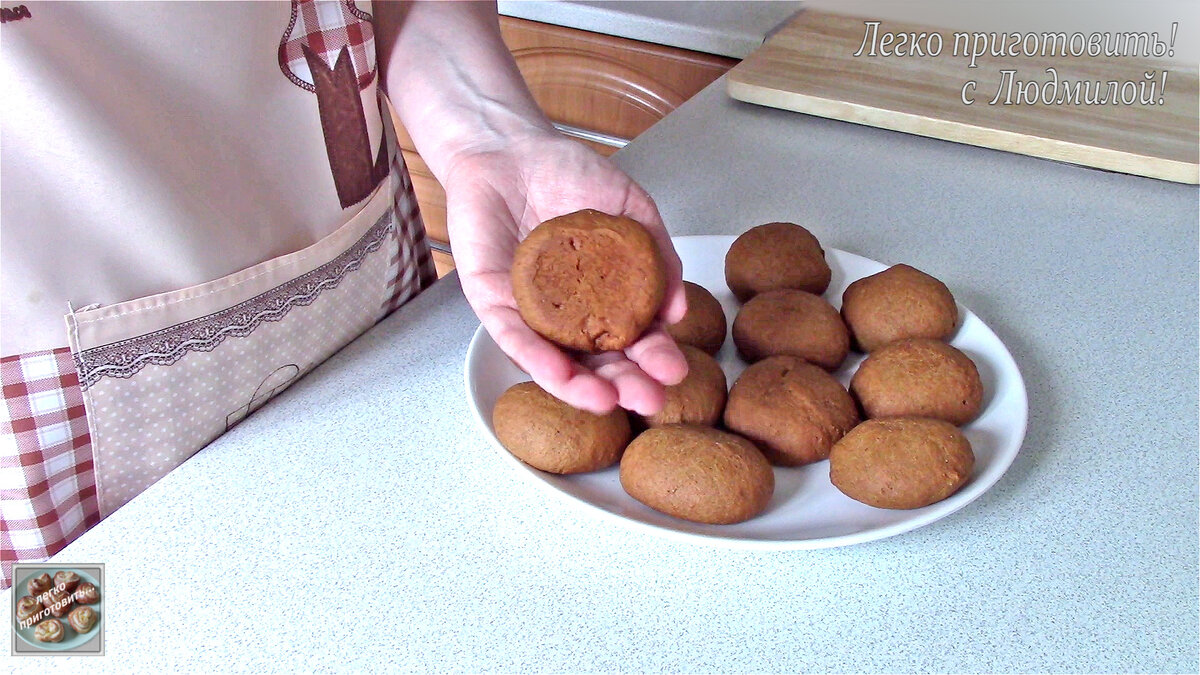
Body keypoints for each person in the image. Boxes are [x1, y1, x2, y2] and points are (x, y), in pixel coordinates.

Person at [0, 0, 686, 588]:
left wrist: (488, 128)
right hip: (51, 406)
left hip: (363, 284)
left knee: (420, 572)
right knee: (76, 640)